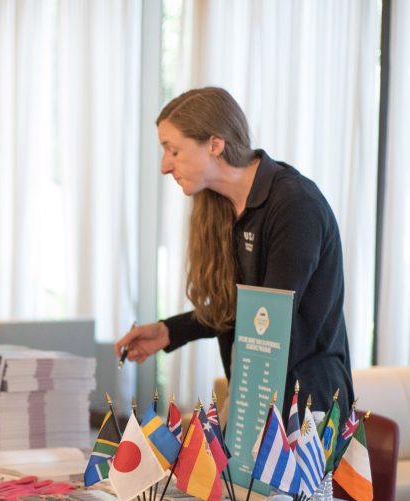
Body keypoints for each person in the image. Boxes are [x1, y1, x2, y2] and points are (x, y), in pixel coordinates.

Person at [116, 87, 353, 418]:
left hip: (307, 405)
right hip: (257, 393)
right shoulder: (221, 206)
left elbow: (266, 322)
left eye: (173, 150)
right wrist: (170, 331)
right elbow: (239, 308)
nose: (164, 166)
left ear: (214, 145)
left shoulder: (295, 205)